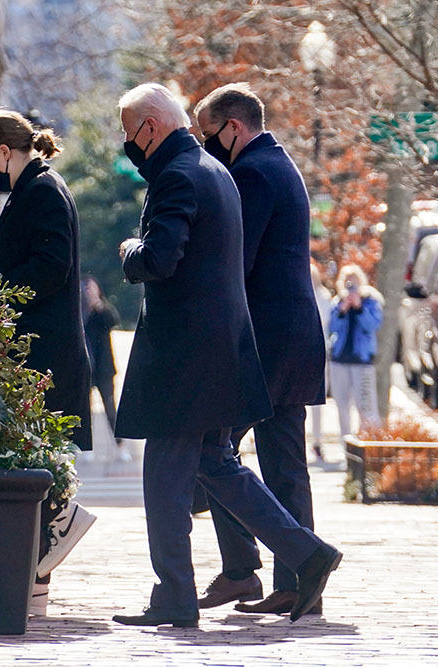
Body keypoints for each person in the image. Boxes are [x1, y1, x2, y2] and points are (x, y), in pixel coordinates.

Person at [111, 83, 342, 627]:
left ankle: (174, 595)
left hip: (187, 354)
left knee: (166, 477)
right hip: (224, 349)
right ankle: (307, 555)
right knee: (217, 464)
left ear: (149, 127)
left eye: (128, 133)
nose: (128, 144)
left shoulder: (181, 175)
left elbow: (162, 259)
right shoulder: (215, 172)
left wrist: (129, 250)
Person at [191, 83, 328, 616]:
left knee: (214, 449)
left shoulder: (251, 171)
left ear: (232, 127)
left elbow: (236, 259)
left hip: (265, 341)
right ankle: (293, 580)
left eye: (208, 135)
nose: (207, 148)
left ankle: (243, 571)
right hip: (292, 336)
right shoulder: (280, 163)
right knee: (283, 463)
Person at [0, 109, 96, 615]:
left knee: (39, 455)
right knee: (36, 452)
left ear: (5, 151)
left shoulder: (41, 190)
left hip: (45, 346)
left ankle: (59, 531)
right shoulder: (38, 187)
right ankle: (36, 582)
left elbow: (51, 263)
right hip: (41, 342)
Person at [329, 264, 384, 438]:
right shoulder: (337, 302)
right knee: (342, 406)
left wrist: (359, 307)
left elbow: (373, 325)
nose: (351, 286)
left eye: (354, 282)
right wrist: (343, 310)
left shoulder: (371, 301)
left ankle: (370, 446)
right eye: (347, 282)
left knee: (366, 406)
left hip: (362, 361)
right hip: (340, 360)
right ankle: (347, 447)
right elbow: (331, 327)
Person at [81, 275, 130, 461]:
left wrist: (97, 304)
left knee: (110, 408)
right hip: (87, 367)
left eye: (91, 288)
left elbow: (113, 319)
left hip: (105, 368)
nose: (89, 293)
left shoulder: (102, 312)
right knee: (86, 409)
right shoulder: (81, 312)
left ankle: (120, 445)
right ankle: (88, 448)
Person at [309, 263, 333, 461]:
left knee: (318, 403)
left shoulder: (323, 295)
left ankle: (317, 440)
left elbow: (325, 320)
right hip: (306, 350)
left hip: (319, 351)